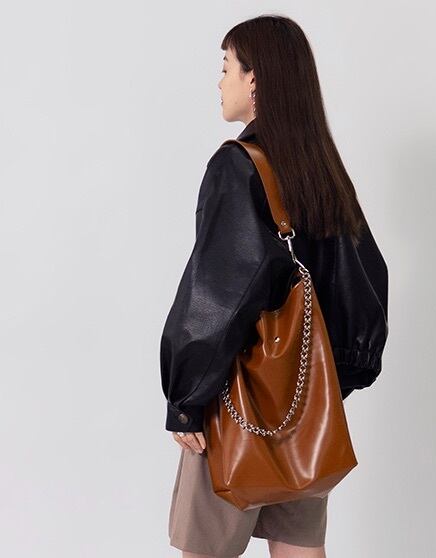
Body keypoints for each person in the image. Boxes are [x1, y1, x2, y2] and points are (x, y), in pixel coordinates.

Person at [159, 15, 389, 558]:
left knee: (205, 550)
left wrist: (186, 399)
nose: (220, 81)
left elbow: (218, 291)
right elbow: (364, 278)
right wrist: (335, 377)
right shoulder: (321, 168)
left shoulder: (236, 166)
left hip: (233, 401)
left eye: (226, 67)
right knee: (299, 550)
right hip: (307, 405)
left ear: (255, 78)